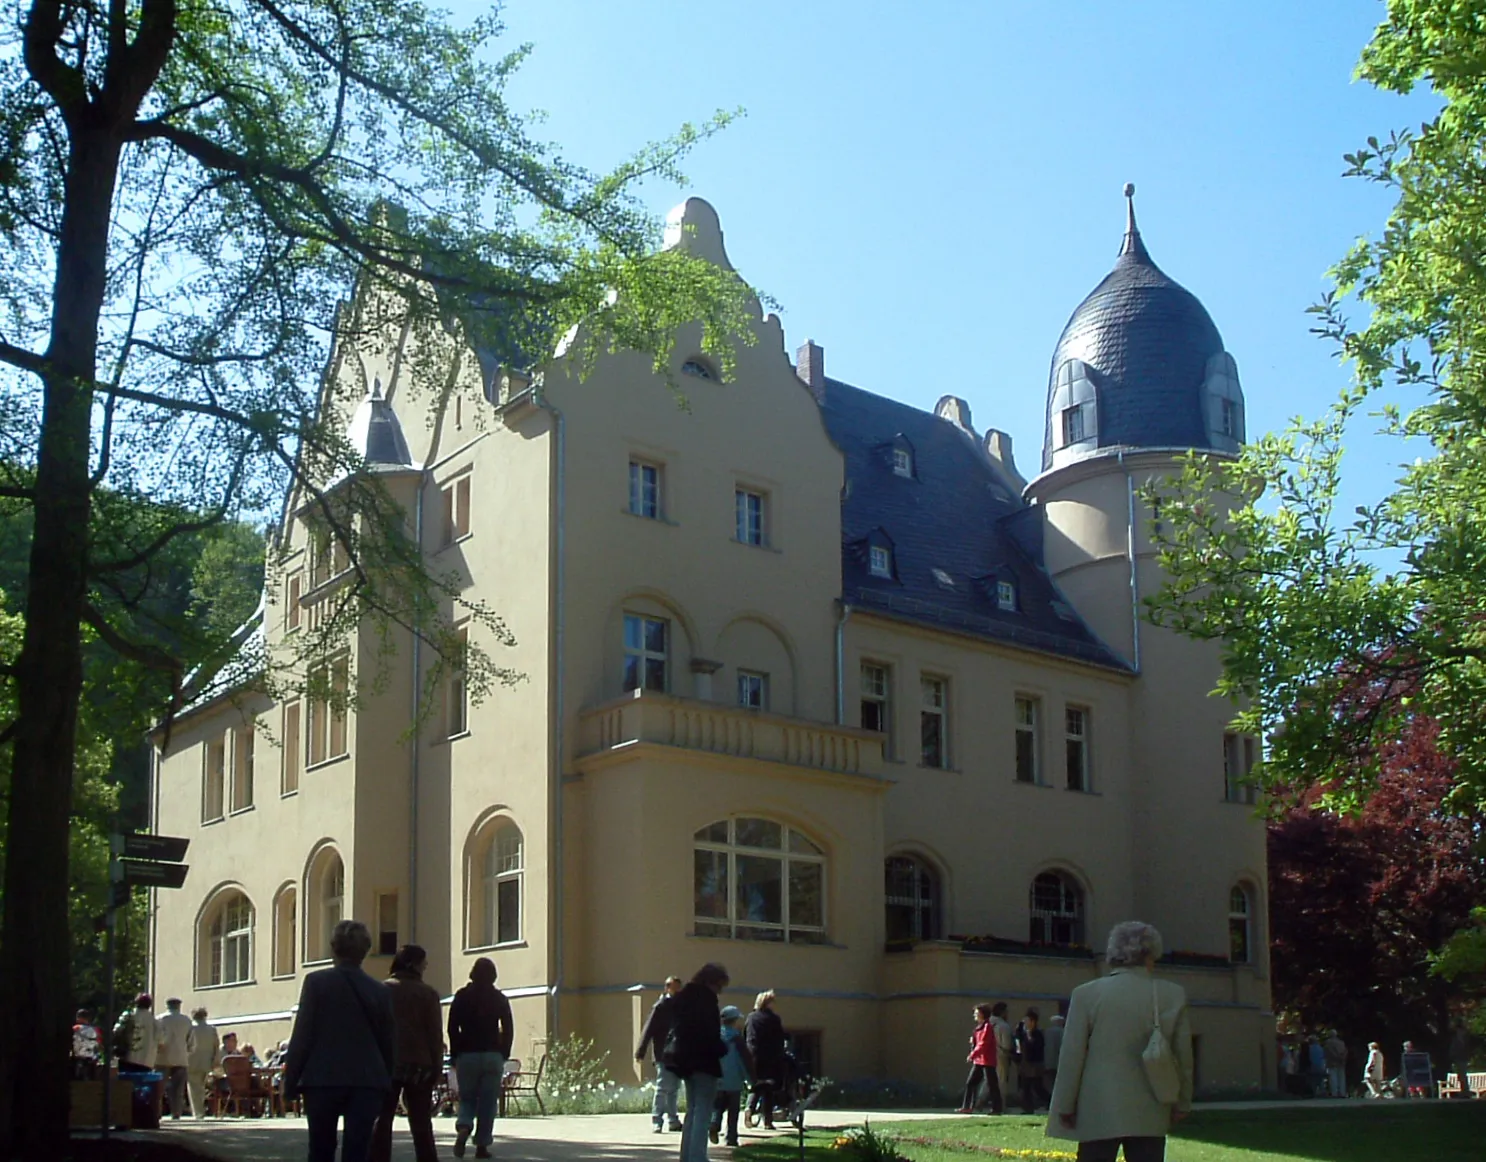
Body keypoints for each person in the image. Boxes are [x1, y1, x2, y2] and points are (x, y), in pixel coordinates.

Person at [1046, 921, 1193, 1162]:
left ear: (1114, 952)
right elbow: (1184, 1055)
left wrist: (1065, 1105)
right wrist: (1183, 1101)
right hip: (1152, 1101)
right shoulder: (1172, 994)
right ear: (1151, 953)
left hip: (1097, 1105)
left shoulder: (1086, 994)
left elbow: (1072, 1056)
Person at [282, 919, 397, 1162]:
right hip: (367, 1079)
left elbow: (303, 1034)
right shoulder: (380, 991)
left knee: (321, 1149)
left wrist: (291, 1079)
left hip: (322, 1078)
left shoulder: (316, 983)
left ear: (333, 948)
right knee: (358, 1150)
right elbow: (387, 1041)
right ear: (365, 951)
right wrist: (387, 1081)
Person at [371, 945, 444, 1162]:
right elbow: (434, 1034)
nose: (426, 966)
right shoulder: (428, 994)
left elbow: (374, 1028)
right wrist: (437, 1067)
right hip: (420, 1064)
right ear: (414, 964)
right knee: (421, 1122)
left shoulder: (382, 990)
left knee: (382, 1120)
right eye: (424, 962)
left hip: (387, 1063)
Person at [447, 956, 514, 1160]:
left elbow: (452, 1027)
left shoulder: (461, 996)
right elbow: (508, 1028)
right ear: (493, 976)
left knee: (467, 1097)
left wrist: (456, 1052)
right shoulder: (499, 998)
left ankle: (464, 1126)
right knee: (488, 1102)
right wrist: (504, 1052)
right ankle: (482, 1146)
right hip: (492, 1054)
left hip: (467, 1055)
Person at [669, 963, 729, 1162]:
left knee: (692, 1110)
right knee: (703, 1111)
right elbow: (709, 1034)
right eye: (719, 986)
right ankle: (697, 1157)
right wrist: (723, 1048)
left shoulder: (683, 998)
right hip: (704, 1060)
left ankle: (687, 1156)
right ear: (712, 983)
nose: (720, 991)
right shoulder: (707, 1001)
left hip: (685, 1061)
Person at [636, 976, 684, 1133]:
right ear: (667, 988)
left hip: (678, 1053)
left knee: (674, 1088)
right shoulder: (661, 1006)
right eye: (674, 987)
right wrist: (641, 1051)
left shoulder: (682, 1006)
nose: (678, 990)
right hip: (663, 1053)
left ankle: (673, 1120)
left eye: (679, 987)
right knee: (663, 1087)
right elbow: (649, 1029)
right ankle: (657, 1120)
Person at [709, 1005, 754, 1146]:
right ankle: (731, 1138)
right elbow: (745, 1061)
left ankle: (714, 1125)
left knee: (717, 1107)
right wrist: (750, 1079)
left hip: (717, 1079)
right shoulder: (737, 1039)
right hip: (734, 1081)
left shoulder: (715, 1037)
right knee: (733, 1112)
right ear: (734, 1021)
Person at [744, 990, 786, 1130]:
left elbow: (746, 1035)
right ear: (768, 1003)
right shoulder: (773, 1019)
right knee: (768, 1088)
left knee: (756, 1085)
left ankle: (749, 1108)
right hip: (770, 1056)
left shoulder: (750, 1017)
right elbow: (779, 1039)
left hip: (753, 1056)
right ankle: (767, 1120)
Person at [957, 1004, 999, 1114]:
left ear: (982, 1014)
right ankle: (967, 1107)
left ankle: (997, 1108)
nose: (974, 1015)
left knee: (992, 1084)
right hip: (979, 1061)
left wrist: (972, 1054)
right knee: (971, 1083)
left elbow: (983, 1044)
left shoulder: (987, 1027)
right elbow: (978, 1042)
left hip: (987, 1061)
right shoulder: (978, 1028)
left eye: (977, 1012)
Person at [156, 997, 194, 1120]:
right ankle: (176, 1113)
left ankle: (157, 1112)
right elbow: (191, 1041)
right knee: (178, 1089)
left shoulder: (160, 1019)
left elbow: (158, 1038)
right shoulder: (186, 1020)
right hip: (181, 1057)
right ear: (179, 1006)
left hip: (163, 1057)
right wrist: (188, 1050)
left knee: (159, 1088)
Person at [186, 1008, 220, 1120]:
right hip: (207, 1061)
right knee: (202, 1087)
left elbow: (187, 1044)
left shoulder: (191, 1028)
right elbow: (216, 1046)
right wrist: (215, 1060)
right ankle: (200, 1110)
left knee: (193, 1087)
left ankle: (197, 1112)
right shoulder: (212, 1029)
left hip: (191, 1061)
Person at [1014, 1009, 1049, 1113]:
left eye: (1028, 1021)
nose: (1026, 1024)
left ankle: (1049, 1101)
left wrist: (1029, 1036)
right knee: (1026, 1086)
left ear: (1033, 1022)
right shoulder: (1022, 1033)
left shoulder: (1038, 1034)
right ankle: (1027, 1108)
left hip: (1035, 1064)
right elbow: (1018, 1042)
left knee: (1037, 1087)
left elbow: (1037, 1047)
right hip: (1025, 1063)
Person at [118, 993, 158, 1072]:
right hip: (147, 1061)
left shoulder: (128, 1015)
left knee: (126, 1082)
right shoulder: (155, 1022)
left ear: (136, 1002)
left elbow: (117, 1031)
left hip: (128, 1058)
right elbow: (161, 1041)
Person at [989, 1003, 1014, 1113]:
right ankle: (1002, 1104)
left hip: (987, 1055)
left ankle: (978, 1101)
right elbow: (1007, 1045)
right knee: (1002, 1081)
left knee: (987, 1080)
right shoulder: (1003, 1026)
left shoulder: (987, 1024)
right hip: (1001, 1055)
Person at [71, 1009, 101, 1080]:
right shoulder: (96, 1030)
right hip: (91, 1059)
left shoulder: (76, 1028)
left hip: (77, 1059)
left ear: (80, 1018)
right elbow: (99, 1044)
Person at [1447, 1021, 1473, 1099]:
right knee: (1461, 1076)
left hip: (1461, 1058)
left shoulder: (1460, 1036)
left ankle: (1465, 1092)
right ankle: (1464, 1091)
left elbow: (1459, 1047)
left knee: (1462, 1076)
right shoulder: (1460, 1036)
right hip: (1460, 1058)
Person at [1044, 1013, 1066, 1098]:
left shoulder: (1047, 1031)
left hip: (1048, 1062)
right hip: (1059, 1062)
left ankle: (1050, 1099)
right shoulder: (1063, 1032)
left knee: (1050, 1082)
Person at [1322, 1031, 1347, 1098]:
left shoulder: (1328, 1042)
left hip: (1332, 1062)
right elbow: (1345, 1051)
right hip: (1341, 1062)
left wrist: (1335, 1057)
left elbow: (1328, 1051)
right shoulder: (1341, 1042)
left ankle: (1334, 1093)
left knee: (1333, 1078)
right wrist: (1342, 1058)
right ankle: (1342, 1093)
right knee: (1341, 1078)